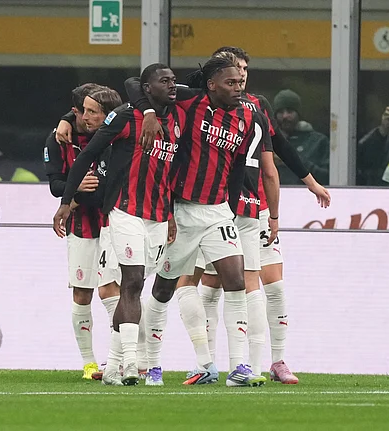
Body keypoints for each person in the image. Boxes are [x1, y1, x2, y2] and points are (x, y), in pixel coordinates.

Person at [125, 55, 272, 387]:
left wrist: (232, 207)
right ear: (211, 85)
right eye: (230, 83)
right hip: (182, 212)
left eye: (240, 83)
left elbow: (238, 168)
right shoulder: (190, 100)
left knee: (235, 279)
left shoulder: (248, 117)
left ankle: (239, 368)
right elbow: (134, 84)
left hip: (218, 210)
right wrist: (149, 112)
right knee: (163, 288)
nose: (238, 88)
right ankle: (153, 364)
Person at [186, 47, 331, 384]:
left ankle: (273, 361)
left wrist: (310, 183)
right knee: (212, 284)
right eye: (235, 70)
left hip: (255, 206)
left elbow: (279, 151)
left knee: (271, 284)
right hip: (216, 205)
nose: (242, 75)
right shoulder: (199, 104)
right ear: (217, 77)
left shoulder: (257, 107)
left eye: (245, 69)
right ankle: (211, 363)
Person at [55, 64, 182, 386]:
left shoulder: (181, 116)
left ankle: (112, 365)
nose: (172, 85)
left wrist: (169, 214)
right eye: (164, 80)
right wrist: (65, 201)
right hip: (124, 212)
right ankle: (131, 363)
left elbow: (170, 175)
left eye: (173, 80)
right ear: (147, 88)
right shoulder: (127, 117)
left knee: (134, 286)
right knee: (132, 282)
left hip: (156, 215)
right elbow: (87, 155)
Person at [44, 83, 122, 380]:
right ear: (75, 112)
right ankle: (90, 364)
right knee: (81, 292)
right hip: (80, 223)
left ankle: (125, 357)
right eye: (83, 112)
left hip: (112, 221)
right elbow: (54, 186)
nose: (88, 118)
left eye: (93, 111)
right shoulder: (58, 139)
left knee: (112, 290)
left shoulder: (114, 135)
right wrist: (75, 191)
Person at [272, 89, 330, 186]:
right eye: (281, 112)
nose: (285, 116)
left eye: (290, 111)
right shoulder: (269, 141)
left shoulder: (318, 141)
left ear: (298, 114)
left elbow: (327, 177)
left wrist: (292, 159)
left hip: (307, 197)